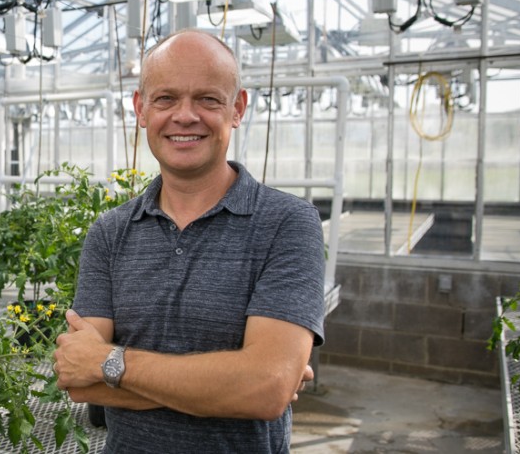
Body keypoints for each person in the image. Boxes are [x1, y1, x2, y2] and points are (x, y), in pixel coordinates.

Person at [53, 29, 326, 453]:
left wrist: (111, 363)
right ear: (141, 109)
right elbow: (80, 381)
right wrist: (236, 386)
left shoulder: (288, 224)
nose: (185, 116)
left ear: (237, 109)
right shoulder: (110, 232)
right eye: (165, 99)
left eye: (208, 99)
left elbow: (266, 389)